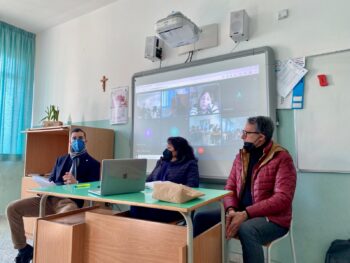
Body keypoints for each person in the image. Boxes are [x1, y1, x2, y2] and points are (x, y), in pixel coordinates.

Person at [193, 116, 297, 263]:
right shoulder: (241, 156)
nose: (242, 136)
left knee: (246, 229)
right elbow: (230, 187)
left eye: (247, 133)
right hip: (240, 211)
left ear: (261, 137)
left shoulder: (282, 158)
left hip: (273, 219)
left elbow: (283, 198)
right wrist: (231, 210)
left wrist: (247, 213)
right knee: (201, 218)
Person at [6, 128, 100, 263]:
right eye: (74, 138)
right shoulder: (61, 159)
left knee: (65, 216)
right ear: (70, 141)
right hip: (48, 198)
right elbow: (51, 180)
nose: (77, 141)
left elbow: (93, 187)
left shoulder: (93, 164)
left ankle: (54, 253)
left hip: (68, 201)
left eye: (80, 138)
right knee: (12, 208)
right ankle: (24, 249)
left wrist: (76, 183)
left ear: (86, 141)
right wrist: (44, 185)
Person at [130, 136, 199, 222]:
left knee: (152, 212)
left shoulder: (190, 164)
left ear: (179, 149)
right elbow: (149, 180)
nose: (167, 150)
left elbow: (192, 186)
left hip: (172, 203)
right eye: (167, 147)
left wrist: (170, 189)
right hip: (155, 199)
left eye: (169, 147)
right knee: (135, 207)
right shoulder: (161, 162)